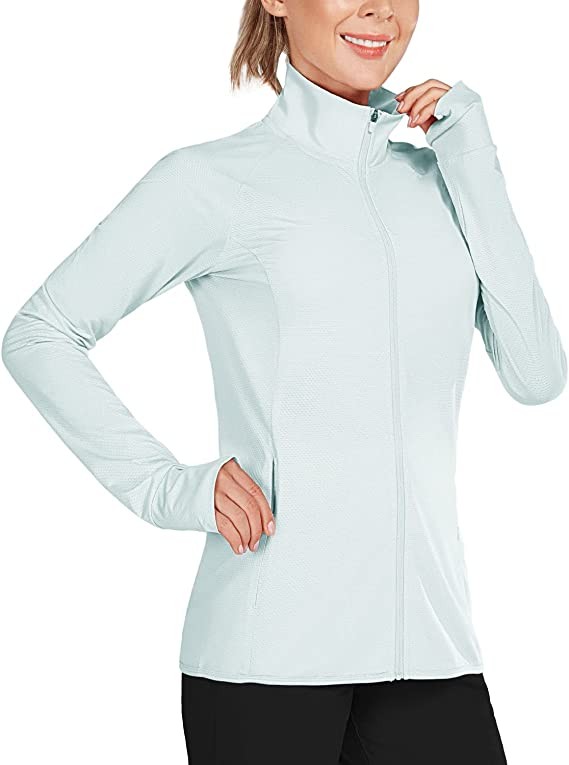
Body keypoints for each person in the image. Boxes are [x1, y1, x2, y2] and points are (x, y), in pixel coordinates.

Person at [3, 0, 566, 762]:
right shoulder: (212, 181)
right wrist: (172, 487)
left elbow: (536, 374)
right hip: (263, 664)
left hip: (432, 653)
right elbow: (41, 333)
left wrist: (473, 161)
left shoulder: (441, 179)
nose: (379, 8)